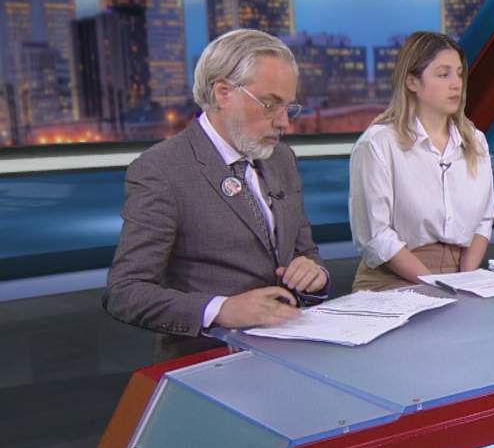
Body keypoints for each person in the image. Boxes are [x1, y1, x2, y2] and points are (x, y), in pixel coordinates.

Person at [104, 29, 328, 361]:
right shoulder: (162, 169)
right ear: (223, 93)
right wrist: (222, 309)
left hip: (288, 347)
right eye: (270, 104)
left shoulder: (281, 158)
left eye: (289, 107)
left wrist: (314, 274)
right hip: (207, 357)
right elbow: (125, 292)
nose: (284, 123)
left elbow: (305, 252)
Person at [349, 31, 494, 291]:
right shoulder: (378, 144)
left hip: (461, 275)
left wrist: (464, 281)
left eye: (459, 73)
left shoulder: (476, 142)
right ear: (412, 82)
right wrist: (438, 286)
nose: (457, 84)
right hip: (395, 278)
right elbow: (376, 236)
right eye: (443, 74)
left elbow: (484, 220)